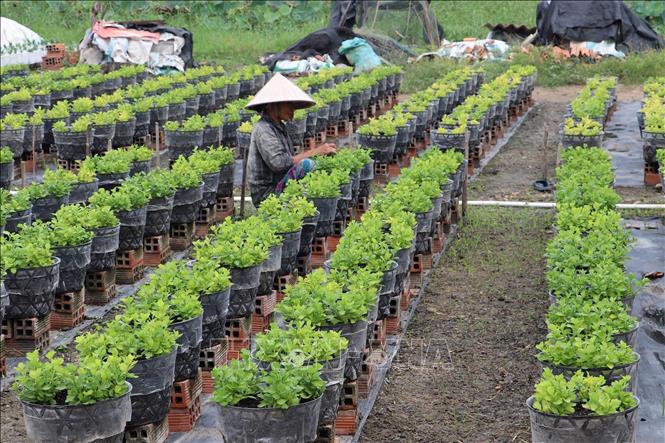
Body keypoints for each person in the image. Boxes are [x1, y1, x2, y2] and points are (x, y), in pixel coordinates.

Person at [246, 73, 336, 207]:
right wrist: (315, 151)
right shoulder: (263, 129)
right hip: (267, 195)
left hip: (279, 182)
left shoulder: (279, 127)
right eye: (288, 104)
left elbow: (289, 162)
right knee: (306, 165)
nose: (293, 109)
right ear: (271, 105)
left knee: (322, 165)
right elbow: (279, 163)